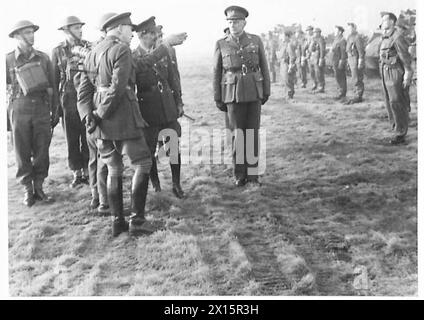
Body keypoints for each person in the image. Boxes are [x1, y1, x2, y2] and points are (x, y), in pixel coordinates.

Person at [78, 12, 187, 237]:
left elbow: (84, 91)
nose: (132, 33)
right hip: (122, 117)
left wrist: (89, 115)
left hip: (102, 122)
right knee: (143, 163)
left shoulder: (92, 53)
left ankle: (118, 222)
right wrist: (98, 114)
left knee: (113, 167)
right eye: (129, 29)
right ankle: (137, 221)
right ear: (118, 29)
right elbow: (119, 87)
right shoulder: (122, 50)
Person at [213, 5, 270, 186]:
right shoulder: (221, 44)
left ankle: (252, 175)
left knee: (252, 134)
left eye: (236, 22)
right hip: (232, 93)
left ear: (244, 23)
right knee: (237, 135)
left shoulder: (255, 40)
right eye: (230, 22)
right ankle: (240, 175)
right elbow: (216, 72)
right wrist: (218, 97)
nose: (233, 25)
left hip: (253, 91)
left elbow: (264, 67)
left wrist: (266, 91)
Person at [6, 20, 58, 206]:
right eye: (27, 33)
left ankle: (39, 187)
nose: (31, 36)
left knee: (42, 150)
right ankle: (28, 190)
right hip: (19, 108)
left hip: (41, 108)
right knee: (21, 150)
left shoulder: (43, 58)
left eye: (32, 32)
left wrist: (55, 110)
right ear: (16, 37)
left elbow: (52, 86)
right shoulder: (8, 59)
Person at [133, 16, 185, 198]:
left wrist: (179, 102)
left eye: (157, 33)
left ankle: (177, 184)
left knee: (173, 147)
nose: (157, 37)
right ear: (143, 35)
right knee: (150, 150)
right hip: (147, 110)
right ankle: (156, 186)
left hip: (167, 106)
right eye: (153, 33)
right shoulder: (133, 57)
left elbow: (174, 79)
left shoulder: (165, 53)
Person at [51, 16, 90, 188]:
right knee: (72, 137)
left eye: (80, 28)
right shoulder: (58, 51)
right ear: (66, 31)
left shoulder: (89, 47)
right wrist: (56, 106)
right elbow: (53, 80)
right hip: (68, 97)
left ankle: (89, 170)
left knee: (88, 135)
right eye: (75, 28)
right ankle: (77, 172)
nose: (80, 31)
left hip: (87, 96)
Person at [379, 12, 412, 145]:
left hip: (395, 72)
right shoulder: (385, 37)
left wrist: (408, 73)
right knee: (389, 101)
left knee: (397, 101)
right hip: (385, 71)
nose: (382, 22)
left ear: (392, 21)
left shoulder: (397, 37)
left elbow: (405, 57)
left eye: (385, 19)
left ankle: (401, 133)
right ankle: (395, 127)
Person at [345, 22, 365, 104]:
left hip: (355, 58)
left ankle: (358, 95)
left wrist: (360, 60)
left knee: (357, 78)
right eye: (348, 28)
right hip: (350, 58)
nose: (349, 30)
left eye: (350, 28)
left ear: (354, 28)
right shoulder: (349, 37)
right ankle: (355, 94)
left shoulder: (357, 37)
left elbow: (360, 50)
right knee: (353, 78)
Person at [277, 30, 297, 99]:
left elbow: (292, 56)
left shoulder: (289, 44)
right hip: (283, 63)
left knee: (288, 80)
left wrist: (291, 66)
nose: (282, 37)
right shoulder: (284, 44)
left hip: (287, 64)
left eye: (283, 36)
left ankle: (290, 95)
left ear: (287, 37)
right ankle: (287, 94)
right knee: (285, 80)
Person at [331, 26, 347, 100]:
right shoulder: (336, 39)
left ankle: (342, 93)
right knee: (337, 77)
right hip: (335, 61)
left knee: (340, 77)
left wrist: (342, 61)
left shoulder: (342, 40)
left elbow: (343, 52)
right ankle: (339, 92)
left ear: (340, 32)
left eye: (336, 30)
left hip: (339, 61)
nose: (334, 32)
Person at [309, 27, 326, 93]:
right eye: (314, 32)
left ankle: (321, 87)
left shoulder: (320, 39)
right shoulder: (313, 39)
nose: (315, 34)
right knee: (313, 72)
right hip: (313, 57)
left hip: (318, 58)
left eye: (316, 32)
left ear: (319, 33)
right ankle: (315, 84)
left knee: (319, 73)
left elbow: (322, 50)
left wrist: (321, 58)